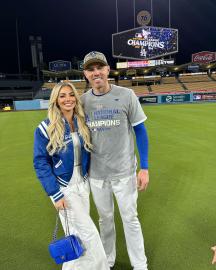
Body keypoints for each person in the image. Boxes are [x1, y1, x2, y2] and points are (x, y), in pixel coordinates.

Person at [81, 51, 149, 270]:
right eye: (91, 69)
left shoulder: (127, 95)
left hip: (124, 172)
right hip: (97, 174)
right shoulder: (82, 102)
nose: (96, 73)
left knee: (130, 219)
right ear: (85, 74)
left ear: (108, 69)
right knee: (105, 220)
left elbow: (140, 131)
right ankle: (107, 261)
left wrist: (145, 167)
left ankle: (140, 265)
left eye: (99, 68)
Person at [33, 82, 110, 270]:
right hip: (63, 188)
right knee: (90, 232)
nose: (68, 99)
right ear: (56, 101)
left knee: (76, 233)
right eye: (62, 96)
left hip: (82, 183)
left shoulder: (80, 121)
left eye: (70, 95)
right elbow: (40, 163)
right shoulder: (45, 128)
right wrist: (55, 194)